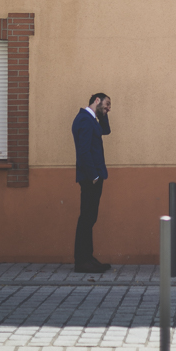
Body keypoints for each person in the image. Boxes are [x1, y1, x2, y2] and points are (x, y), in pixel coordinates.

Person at [72, 93, 112, 273]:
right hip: (90, 178)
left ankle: (88, 257)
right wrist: (94, 176)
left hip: (93, 176)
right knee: (86, 218)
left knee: (90, 218)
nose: (108, 108)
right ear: (97, 100)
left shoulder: (92, 120)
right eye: (107, 104)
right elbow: (83, 151)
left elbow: (106, 131)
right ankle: (82, 260)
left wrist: (104, 113)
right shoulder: (84, 120)